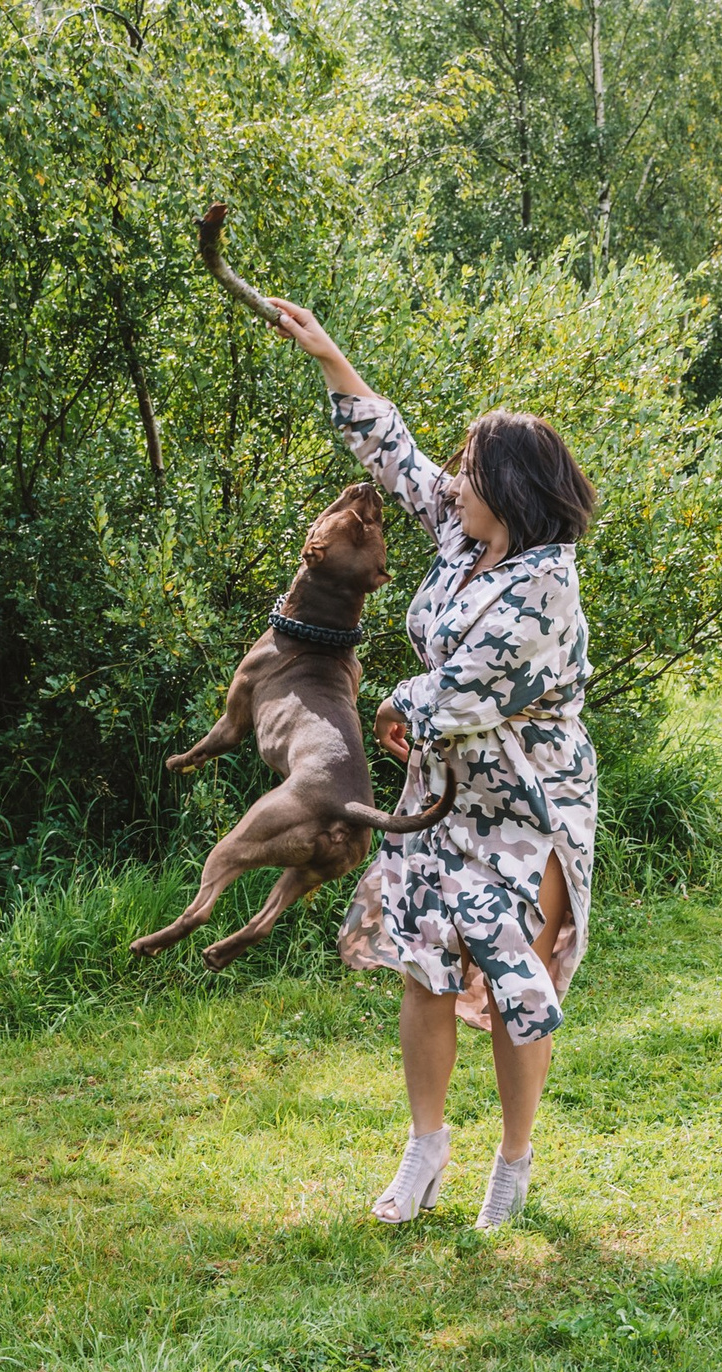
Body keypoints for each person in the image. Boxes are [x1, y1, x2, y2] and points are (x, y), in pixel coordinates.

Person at [263, 295, 600, 1233]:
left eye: (470, 471)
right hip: (442, 800)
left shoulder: (546, 586)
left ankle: (514, 1160)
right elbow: (396, 458)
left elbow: (471, 689)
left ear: (513, 490)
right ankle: (425, 1148)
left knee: (512, 973)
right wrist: (330, 354)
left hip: (527, 802)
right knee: (426, 964)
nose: (452, 482)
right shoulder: (470, 536)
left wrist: (392, 703)